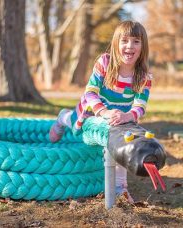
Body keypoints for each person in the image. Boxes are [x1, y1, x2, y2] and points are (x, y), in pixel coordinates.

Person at [49, 20, 152, 203]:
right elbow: (90, 92)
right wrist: (104, 112)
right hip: (92, 110)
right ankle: (61, 118)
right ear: (116, 43)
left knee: (119, 144)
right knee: (72, 123)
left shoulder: (143, 76)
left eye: (136, 41)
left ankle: (121, 188)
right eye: (125, 40)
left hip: (120, 118)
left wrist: (127, 116)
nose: (130, 46)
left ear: (142, 46)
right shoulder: (105, 62)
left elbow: (140, 105)